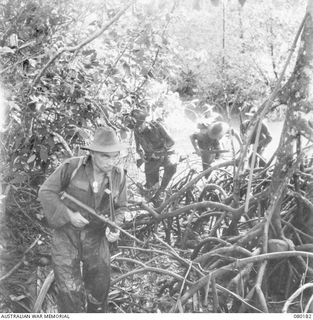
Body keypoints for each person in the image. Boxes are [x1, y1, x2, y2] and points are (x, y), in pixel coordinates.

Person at [38, 127, 129, 313]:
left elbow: (122, 208)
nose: (111, 162)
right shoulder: (72, 167)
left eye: (115, 156)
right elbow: (46, 192)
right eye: (106, 156)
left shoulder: (119, 176)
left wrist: (115, 227)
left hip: (96, 238)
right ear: (93, 153)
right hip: (66, 236)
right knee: (69, 290)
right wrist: (69, 215)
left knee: (99, 287)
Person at [126, 109, 177, 207]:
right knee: (150, 186)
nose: (138, 129)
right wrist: (142, 156)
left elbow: (171, 141)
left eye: (140, 127)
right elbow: (138, 148)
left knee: (171, 167)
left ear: (144, 122)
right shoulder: (136, 131)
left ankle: (162, 191)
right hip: (151, 158)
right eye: (136, 128)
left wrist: (160, 152)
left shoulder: (157, 127)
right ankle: (154, 200)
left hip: (165, 154)